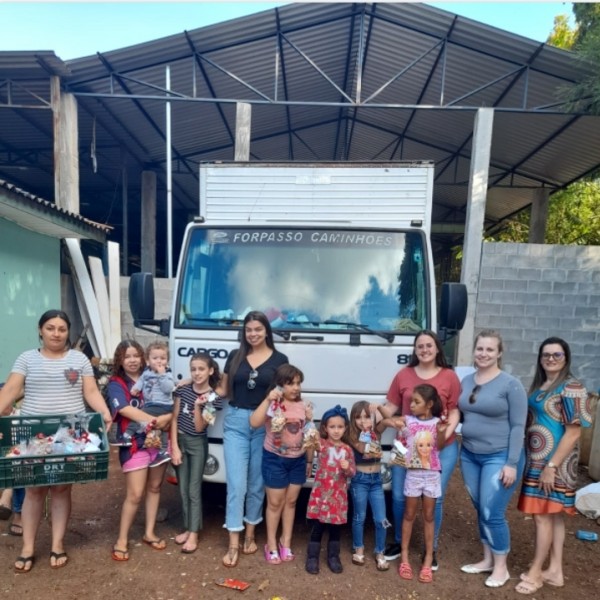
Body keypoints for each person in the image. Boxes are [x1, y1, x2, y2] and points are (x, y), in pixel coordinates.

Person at [0, 309, 112, 573]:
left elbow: (90, 391)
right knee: (34, 490)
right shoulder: (27, 358)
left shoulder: (79, 359)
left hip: (70, 433)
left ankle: (57, 544)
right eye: (50, 328)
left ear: (67, 332)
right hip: (33, 433)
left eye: (62, 329)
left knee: (62, 489)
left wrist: (105, 412)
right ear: (40, 330)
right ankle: (28, 547)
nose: (56, 333)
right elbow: (11, 390)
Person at [379, 330, 461, 570]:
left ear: (437, 348)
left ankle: (430, 549)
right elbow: (391, 406)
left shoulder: (449, 376)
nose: (424, 350)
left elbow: (454, 409)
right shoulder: (403, 375)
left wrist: (443, 434)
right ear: (415, 350)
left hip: (440, 448)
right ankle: (398, 541)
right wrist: (373, 416)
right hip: (405, 446)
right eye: (420, 346)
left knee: (434, 499)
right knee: (398, 496)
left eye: (429, 345)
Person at [515, 338, 591, 595]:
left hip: (553, 463)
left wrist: (551, 466)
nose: (550, 358)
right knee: (553, 515)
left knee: (542, 516)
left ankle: (536, 572)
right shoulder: (542, 386)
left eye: (556, 354)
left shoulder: (571, 387)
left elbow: (573, 432)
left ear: (566, 357)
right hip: (538, 461)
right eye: (546, 354)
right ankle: (555, 571)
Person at [218, 311, 288, 567]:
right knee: (236, 485)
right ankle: (233, 542)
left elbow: (284, 392)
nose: (253, 334)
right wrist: (194, 384)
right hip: (236, 422)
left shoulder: (280, 360)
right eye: (248, 330)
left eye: (258, 329)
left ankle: (250, 534)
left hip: (265, 424)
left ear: (267, 331)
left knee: (257, 483)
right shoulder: (234, 356)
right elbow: (223, 389)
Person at [459, 329, 527, 589]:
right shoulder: (467, 381)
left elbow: (518, 426)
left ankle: (501, 568)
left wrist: (511, 463)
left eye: (490, 349)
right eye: (480, 348)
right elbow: (461, 414)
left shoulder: (511, 384)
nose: (483, 353)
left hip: (499, 456)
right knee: (480, 508)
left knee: (492, 511)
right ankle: (487, 560)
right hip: (470, 454)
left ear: (499, 353)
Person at [108, 340, 172, 561]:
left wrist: (168, 417)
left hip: (158, 440)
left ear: (143, 357)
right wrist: (156, 420)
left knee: (154, 487)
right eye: (127, 356)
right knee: (135, 494)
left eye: (136, 355)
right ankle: (122, 540)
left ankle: (149, 532)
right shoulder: (116, 383)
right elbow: (124, 409)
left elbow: (173, 399)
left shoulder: (157, 374)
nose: (132, 360)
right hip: (134, 443)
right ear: (120, 360)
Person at [250, 364, 312, 564]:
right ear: (279, 385)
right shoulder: (273, 404)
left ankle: (286, 542)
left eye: (298, 383)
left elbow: (309, 435)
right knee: (275, 503)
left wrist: (309, 460)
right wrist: (268, 399)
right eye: (291, 383)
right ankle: (271, 544)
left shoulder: (303, 405)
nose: (296, 387)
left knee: (291, 502)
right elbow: (254, 422)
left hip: (298, 460)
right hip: (275, 459)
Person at [394, 384, 447, 584]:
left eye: (416, 402)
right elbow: (389, 419)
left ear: (429, 404)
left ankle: (428, 559)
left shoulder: (437, 422)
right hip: (413, 475)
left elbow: (439, 446)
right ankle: (404, 557)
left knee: (429, 516)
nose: (412, 405)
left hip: (432, 475)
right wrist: (379, 410)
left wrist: (441, 432)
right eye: (411, 402)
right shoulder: (408, 420)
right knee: (409, 514)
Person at [170, 352, 222, 554]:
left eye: (201, 369)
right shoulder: (183, 390)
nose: (197, 373)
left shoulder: (213, 397)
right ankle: (187, 527)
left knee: (193, 489)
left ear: (210, 371)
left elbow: (200, 428)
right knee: (183, 488)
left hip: (197, 443)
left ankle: (194, 533)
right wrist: (174, 447)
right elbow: (175, 418)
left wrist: (197, 407)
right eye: (193, 369)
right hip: (180, 441)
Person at [305, 405, 356, 575]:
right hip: (321, 496)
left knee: (335, 529)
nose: (336, 430)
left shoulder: (347, 450)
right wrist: (309, 419)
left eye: (340, 427)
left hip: (337, 498)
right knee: (317, 527)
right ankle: (312, 557)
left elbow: (352, 472)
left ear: (345, 428)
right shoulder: (321, 444)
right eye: (332, 426)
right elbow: (310, 435)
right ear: (325, 428)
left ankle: (334, 557)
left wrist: (347, 468)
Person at [347, 401, 390, 572]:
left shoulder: (376, 431)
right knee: (360, 516)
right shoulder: (352, 435)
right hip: (360, 480)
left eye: (366, 417)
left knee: (382, 519)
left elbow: (388, 419)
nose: (363, 420)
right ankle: (358, 548)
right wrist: (368, 431)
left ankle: (380, 551)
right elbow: (363, 449)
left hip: (376, 481)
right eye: (358, 417)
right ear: (353, 419)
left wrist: (379, 408)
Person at [128, 341, 175, 467]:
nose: (159, 361)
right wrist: (136, 388)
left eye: (162, 358)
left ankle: (128, 434)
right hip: (151, 404)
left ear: (167, 361)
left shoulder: (167, 373)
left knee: (140, 415)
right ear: (148, 361)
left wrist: (161, 374)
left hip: (163, 404)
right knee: (161, 428)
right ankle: (163, 451)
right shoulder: (146, 372)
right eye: (155, 358)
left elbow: (168, 388)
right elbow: (141, 381)